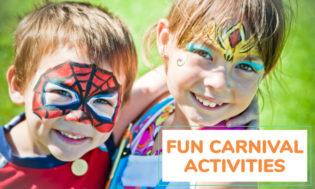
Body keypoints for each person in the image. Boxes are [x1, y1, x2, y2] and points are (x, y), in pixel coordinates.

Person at [109, 0, 290, 188]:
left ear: (264, 73)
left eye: (245, 66)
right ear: (165, 40)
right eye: (204, 54)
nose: (219, 83)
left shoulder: (225, 175)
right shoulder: (153, 101)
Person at [0, 1, 166, 188]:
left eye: (101, 100)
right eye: (62, 92)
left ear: (119, 106)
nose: (80, 116)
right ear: (18, 85)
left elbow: (157, 84)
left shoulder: (101, 138)